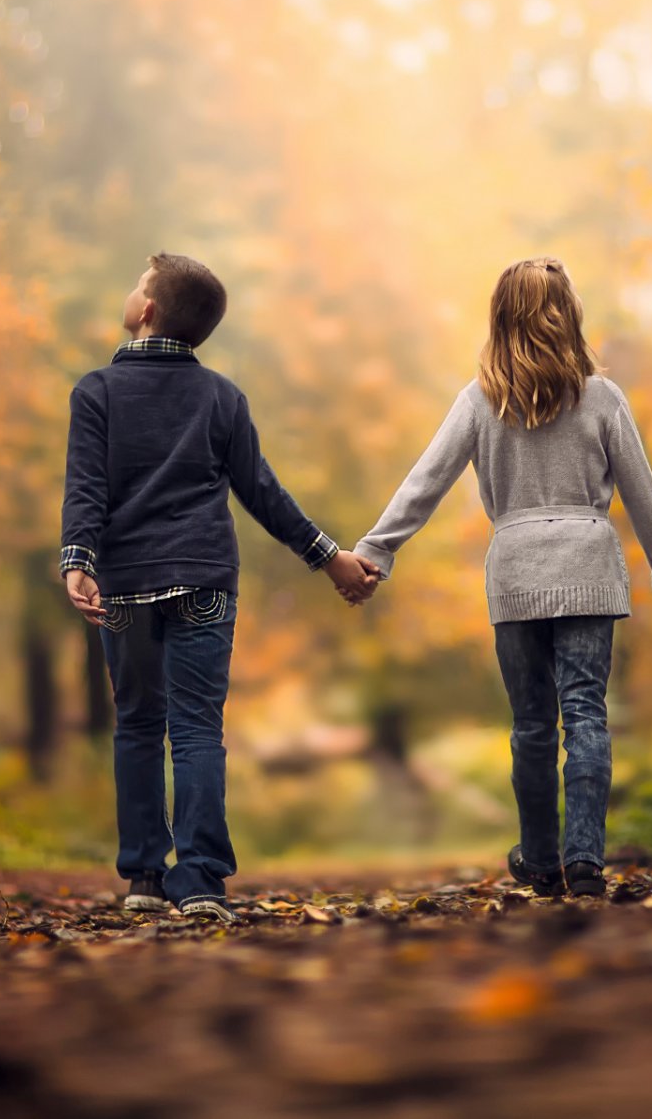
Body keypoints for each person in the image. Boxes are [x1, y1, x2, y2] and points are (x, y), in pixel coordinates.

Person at [353, 257, 652, 898]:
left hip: (516, 577)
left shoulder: (481, 400)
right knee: (585, 714)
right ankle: (585, 856)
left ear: (500, 316)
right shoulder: (602, 398)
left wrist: (377, 549)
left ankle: (540, 859)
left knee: (532, 723)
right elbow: (644, 497)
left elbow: (425, 481)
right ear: (569, 314)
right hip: (589, 568)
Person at [60, 252, 379, 922]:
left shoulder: (96, 392)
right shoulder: (221, 397)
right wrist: (329, 558)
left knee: (138, 726)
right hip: (204, 577)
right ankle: (200, 879)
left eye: (138, 283)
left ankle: (145, 875)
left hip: (125, 585)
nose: (132, 291)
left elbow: (87, 487)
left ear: (146, 310)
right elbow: (262, 492)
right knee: (198, 729)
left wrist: (77, 560)